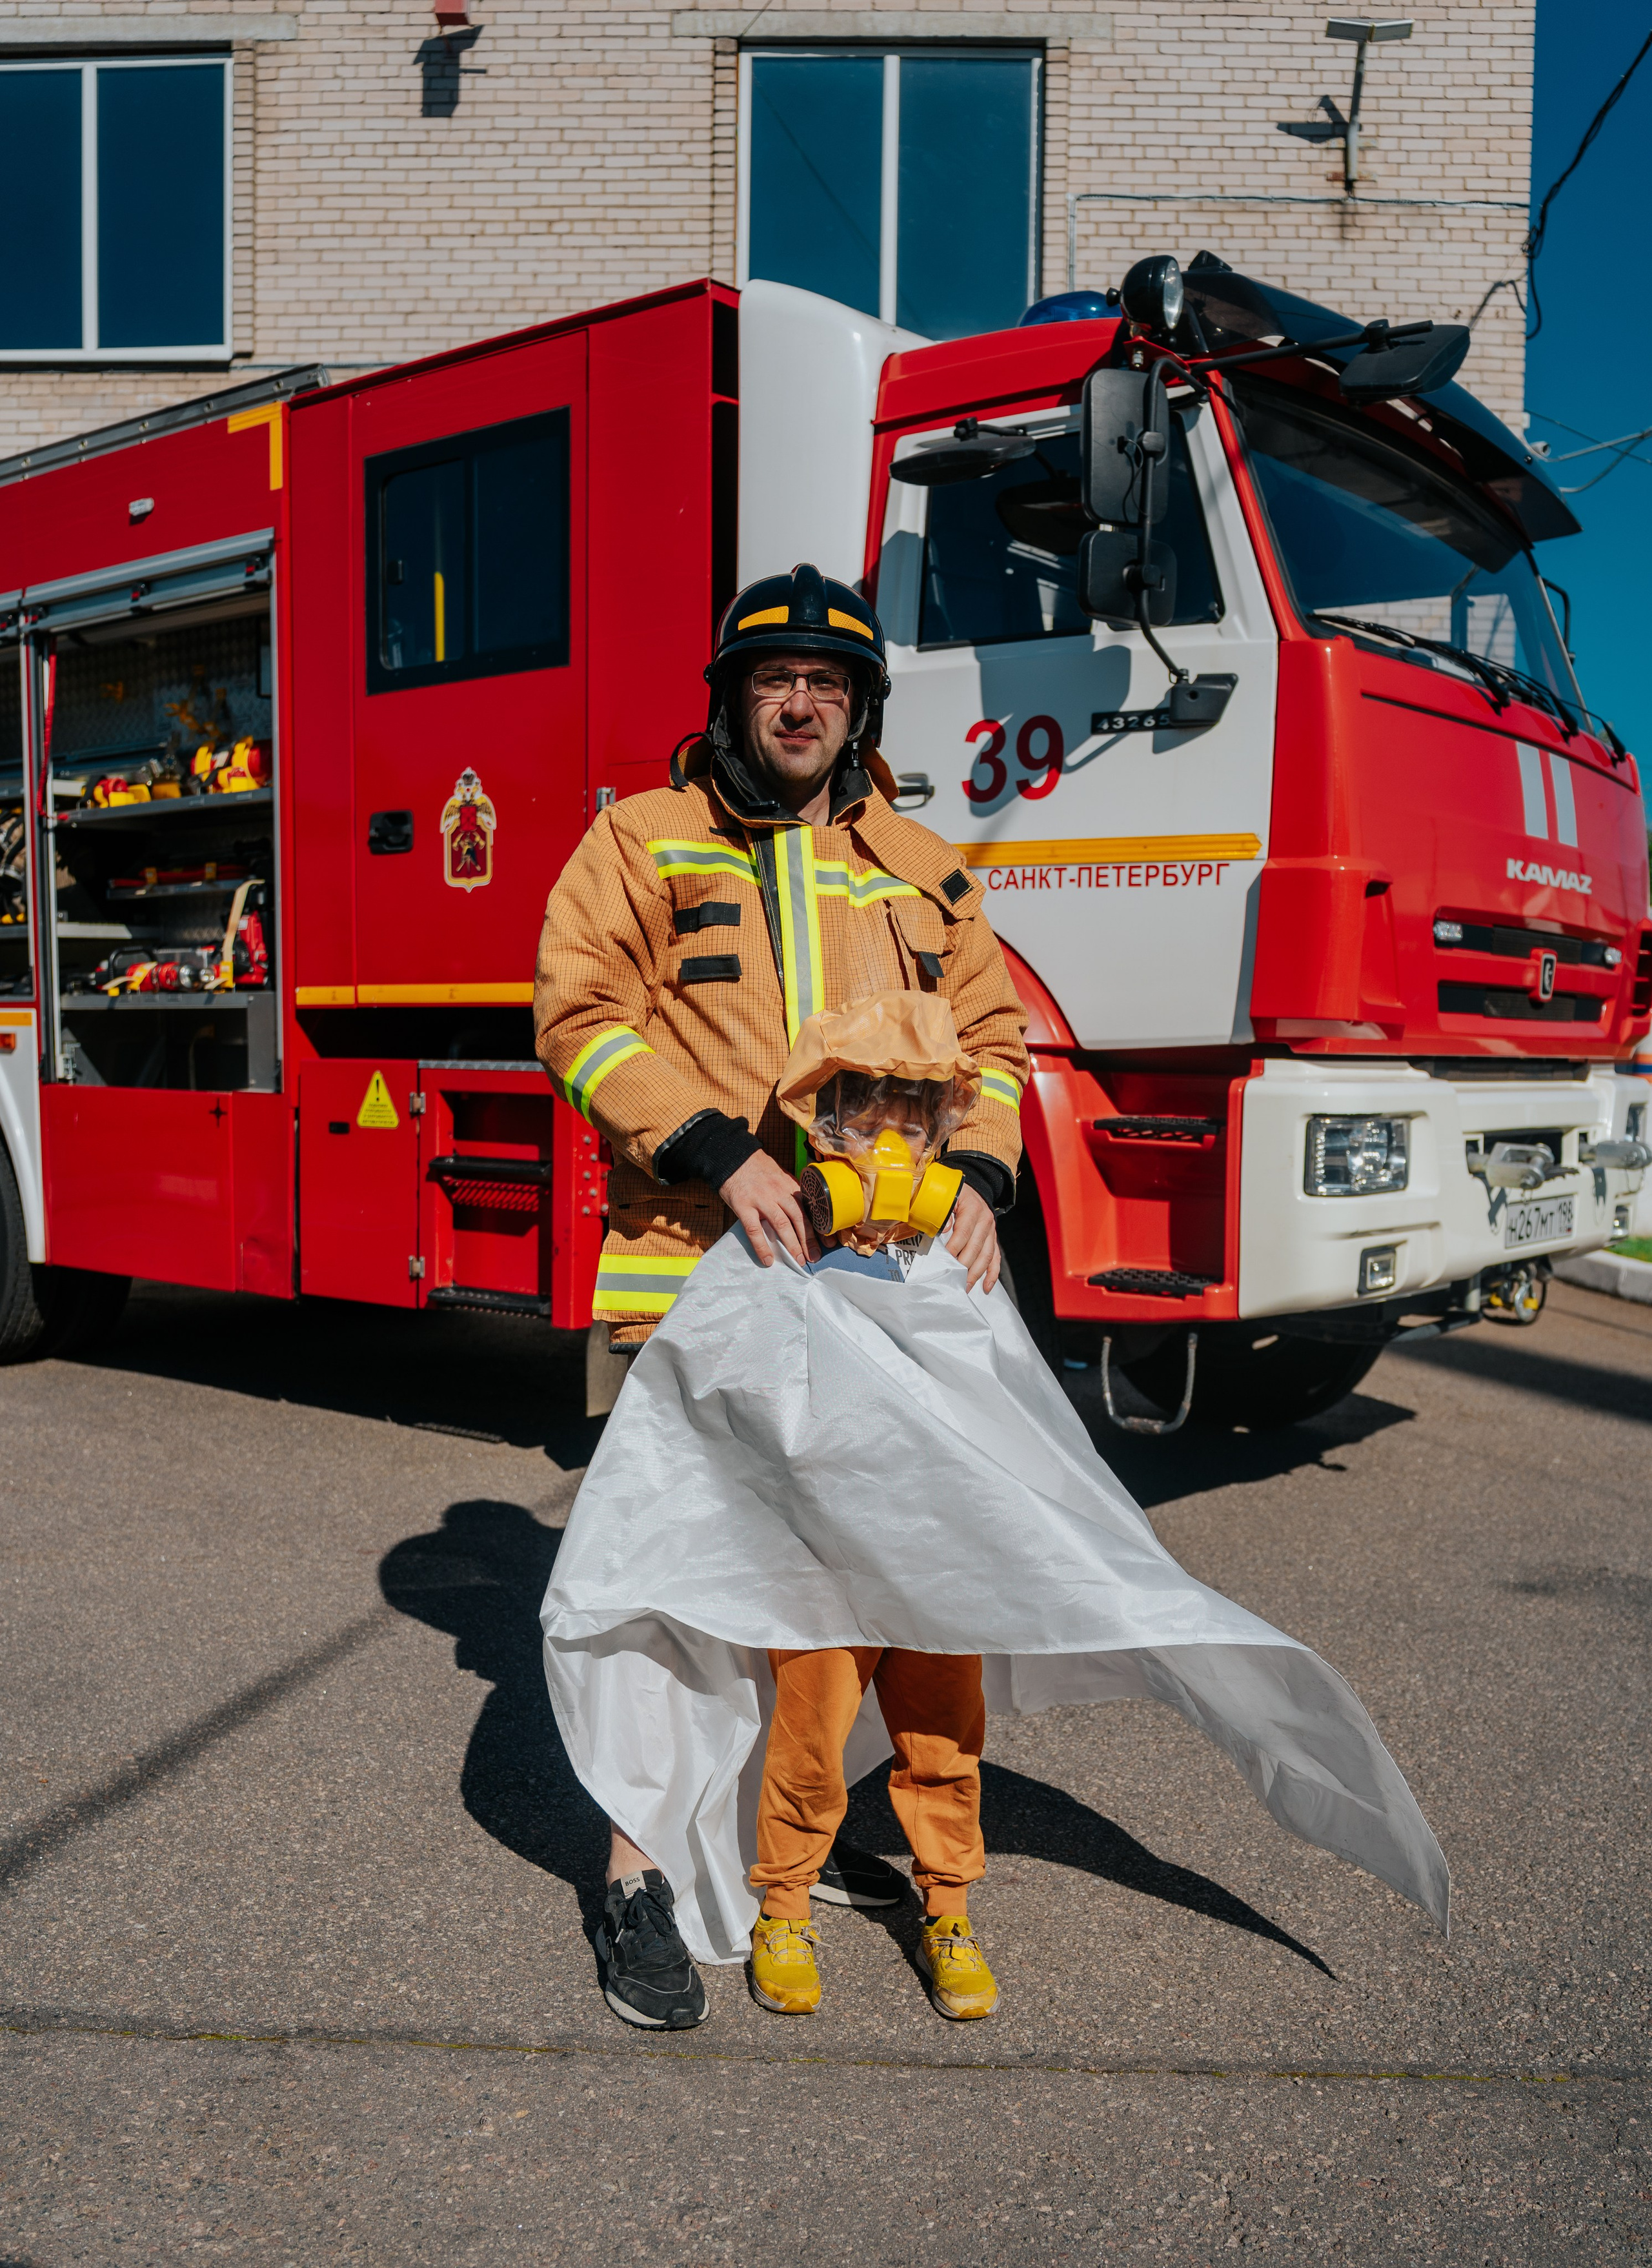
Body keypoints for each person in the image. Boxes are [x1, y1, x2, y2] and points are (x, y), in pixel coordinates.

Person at [533, 563, 1031, 2027]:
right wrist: (707, 1148)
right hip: (695, 1273)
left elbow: (994, 1042)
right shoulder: (639, 839)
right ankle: (635, 1879)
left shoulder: (926, 867)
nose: (799, 701)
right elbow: (577, 1014)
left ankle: (783, 1864)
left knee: (847, 1595)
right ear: (731, 700)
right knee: (676, 1593)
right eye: (772, 680)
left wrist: (986, 1187)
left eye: (827, 682)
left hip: (877, 1293)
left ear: (861, 706)